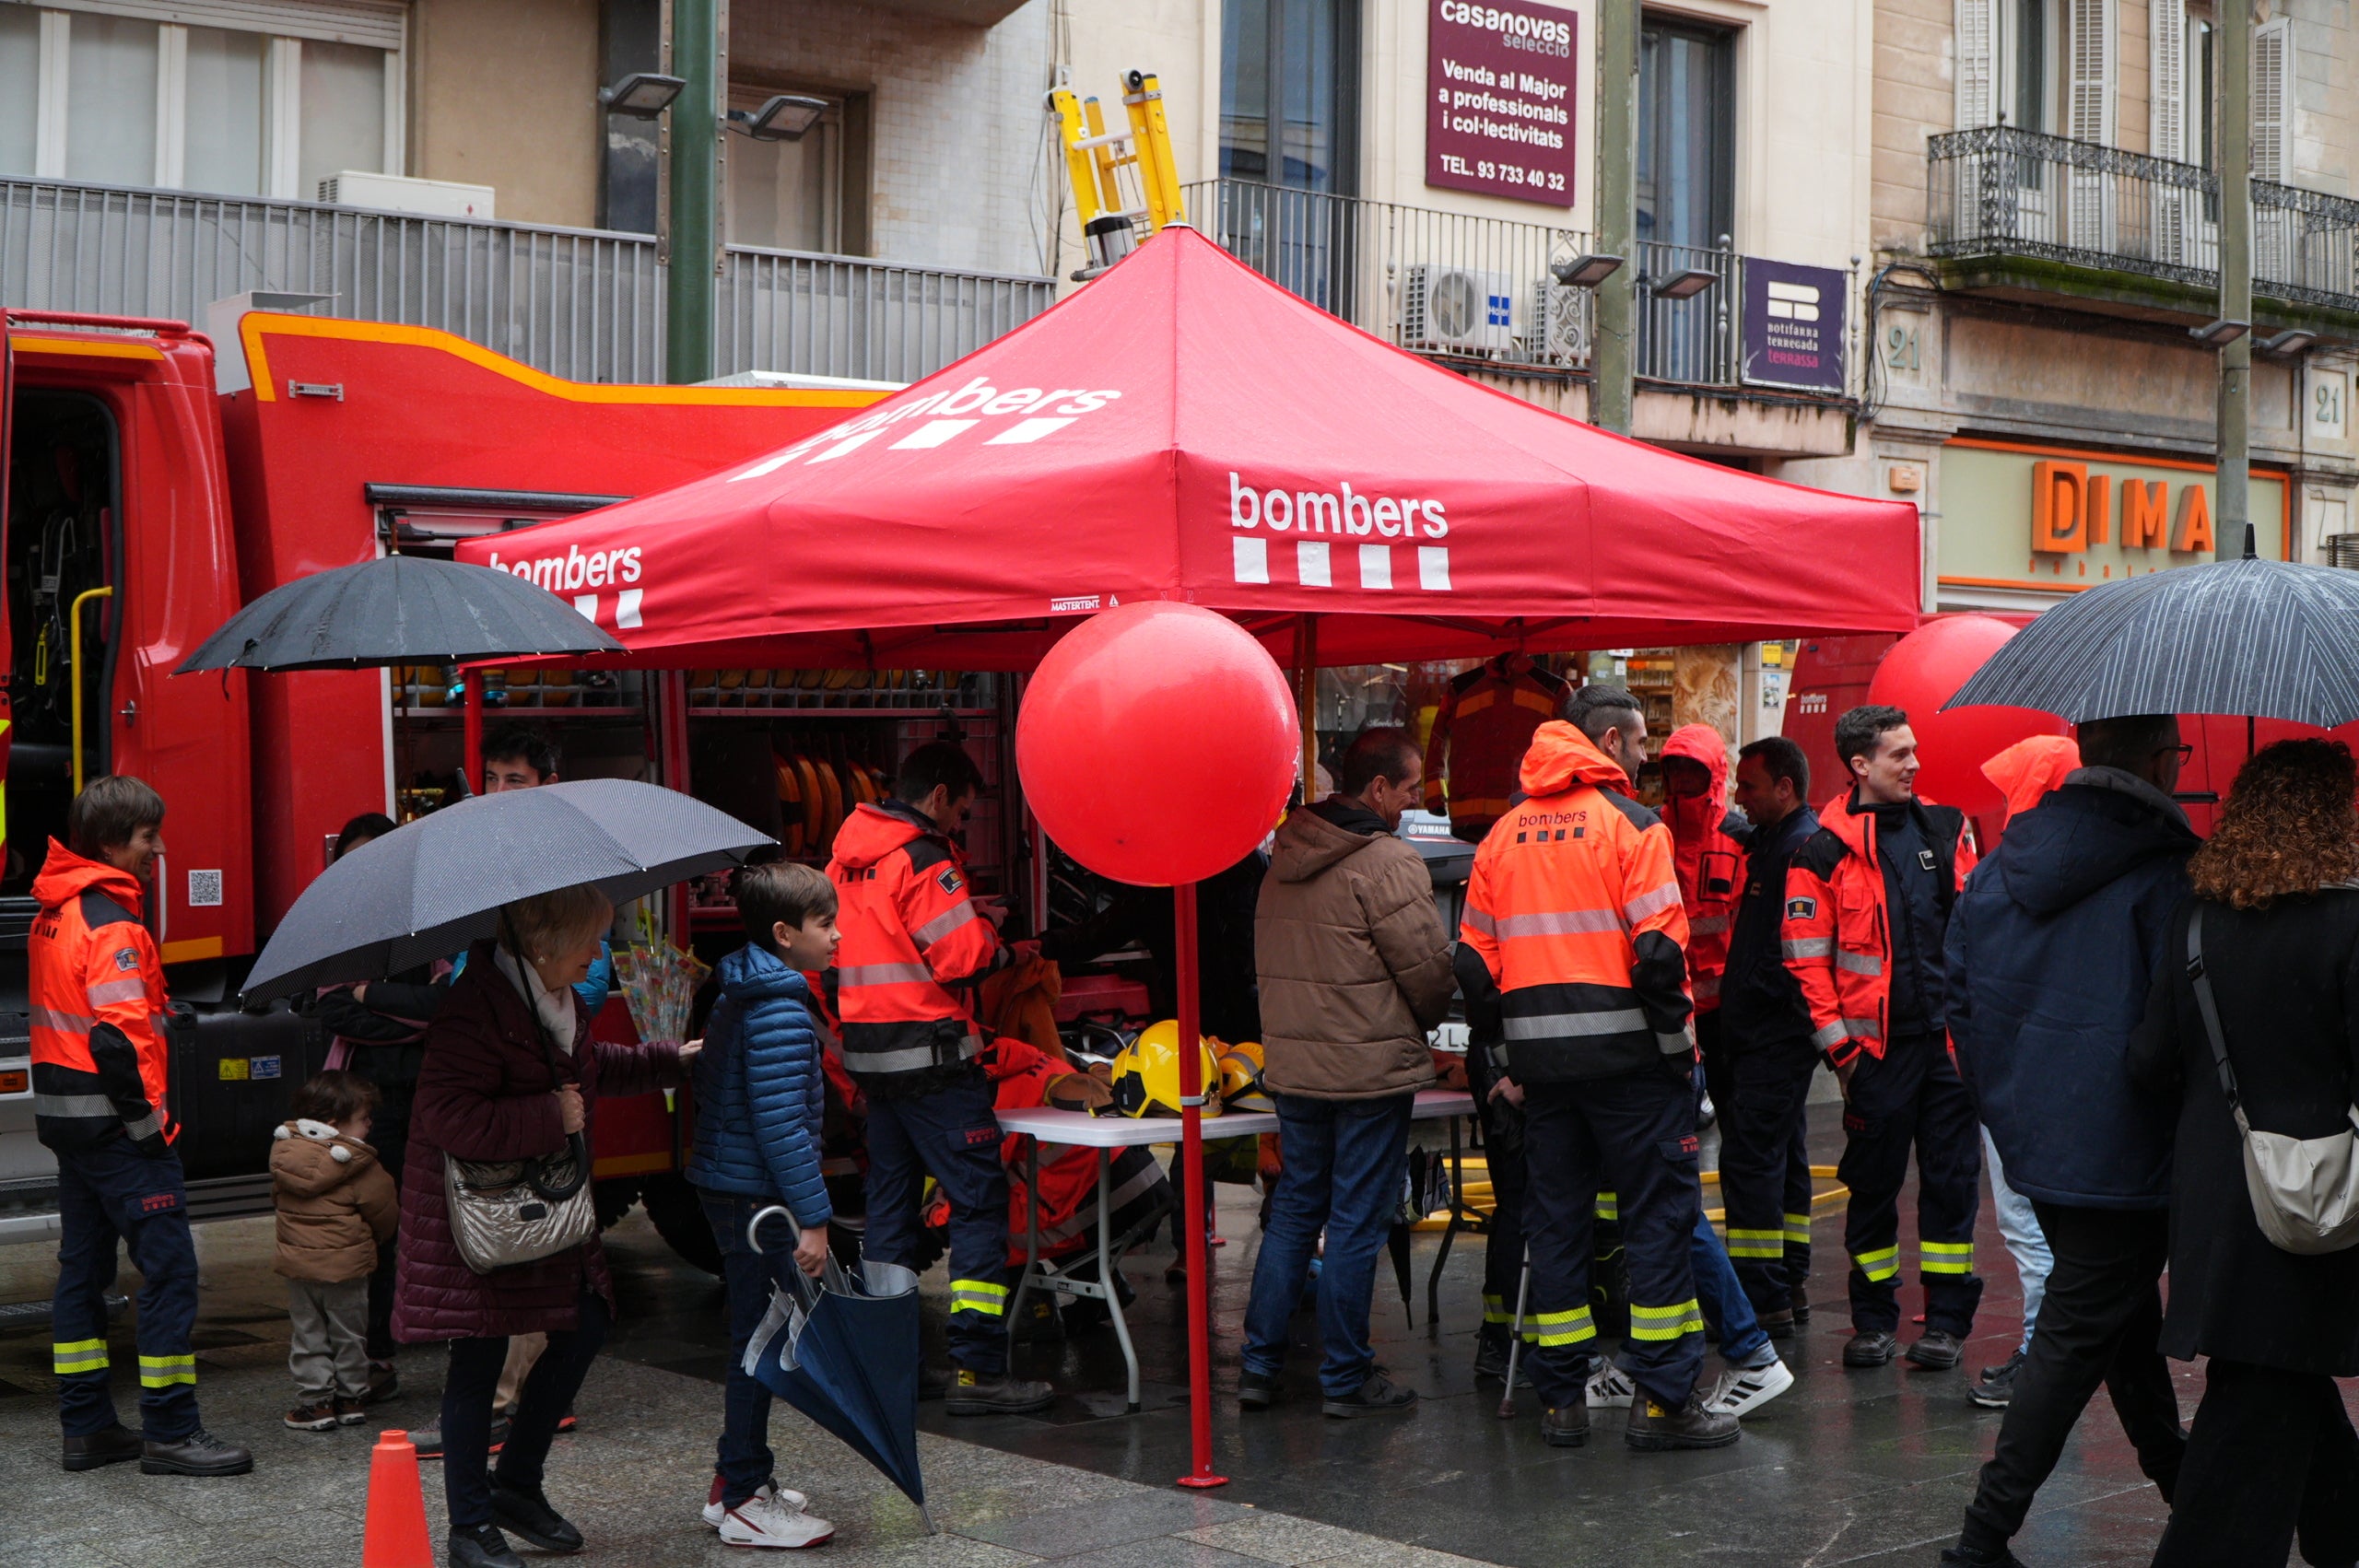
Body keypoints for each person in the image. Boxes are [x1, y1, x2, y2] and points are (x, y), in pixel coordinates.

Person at [1939, 715, 2193, 1568]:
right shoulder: (2167, 871)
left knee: (2118, 1321)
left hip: (2035, 1138)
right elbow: (2178, 1026)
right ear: (2159, 762)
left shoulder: (2001, 864)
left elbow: (1961, 998)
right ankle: (1982, 1539)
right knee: (2081, 1329)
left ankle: (2184, 1490)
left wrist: (2005, 1107)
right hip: (2130, 1145)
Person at [1460, 686, 1737, 1452]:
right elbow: (1660, 956)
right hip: (1634, 1069)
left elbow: (1475, 969)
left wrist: (1511, 1057)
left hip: (1546, 1078)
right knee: (1658, 1224)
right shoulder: (1633, 827)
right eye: (1642, 742)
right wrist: (1679, 1056)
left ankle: (1562, 1404)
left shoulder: (1501, 836)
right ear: (1610, 742)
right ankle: (1664, 1403)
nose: (1646, 757)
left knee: (1556, 1228)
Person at [393, 883, 688, 1568]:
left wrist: (671, 1058)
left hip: (538, 1207)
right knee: (478, 1362)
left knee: (586, 1321)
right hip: (478, 1221)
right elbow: (449, 1117)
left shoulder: (551, 996)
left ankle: (517, 1485)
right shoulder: (474, 1008)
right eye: (589, 940)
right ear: (543, 943)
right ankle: (469, 1528)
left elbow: (587, 1069)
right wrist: (549, 1117)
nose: (597, 954)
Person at [2128, 738, 2359, 1568]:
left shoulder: (2197, 918)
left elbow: (2149, 1060)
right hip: (2314, 1189)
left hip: (2218, 1189)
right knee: (2264, 1386)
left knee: (2275, 1370)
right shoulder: (2349, 920)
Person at [35, 776, 253, 1477]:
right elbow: (120, 1042)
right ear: (110, 843)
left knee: (82, 1274)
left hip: (72, 1126)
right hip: (119, 1132)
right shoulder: (114, 926)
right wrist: (151, 1129)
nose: (158, 850)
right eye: (147, 837)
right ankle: (171, 1430)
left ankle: (88, 1428)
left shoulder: (57, 912)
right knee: (170, 1272)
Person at [827, 741, 1053, 1416]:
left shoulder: (843, 861)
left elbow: (833, 964)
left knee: (889, 1211)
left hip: (873, 1063)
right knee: (979, 1203)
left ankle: (891, 1364)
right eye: (962, 811)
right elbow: (963, 958)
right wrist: (999, 940)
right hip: (934, 1063)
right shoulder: (923, 857)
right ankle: (979, 1371)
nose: (961, 824)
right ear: (939, 796)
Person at [1238, 727, 1454, 1417]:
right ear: (1379, 788)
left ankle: (1258, 1367)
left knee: (1295, 1212)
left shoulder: (1283, 855)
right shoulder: (1387, 861)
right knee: (1357, 1221)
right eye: (1411, 787)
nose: (1416, 800)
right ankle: (1345, 1377)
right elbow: (1429, 976)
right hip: (1368, 1072)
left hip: (1295, 1068)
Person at [1783, 705, 1982, 1372]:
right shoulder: (1821, 852)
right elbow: (1805, 962)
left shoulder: (1947, 828)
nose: (1915, 764)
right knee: (1872, 1192)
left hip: (1946, 1051)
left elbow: (1976, 935)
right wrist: (1842, 1055)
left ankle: (1947, 1323)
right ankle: (1872, 1322)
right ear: (1860, 765)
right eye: (1900, 754)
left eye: (1914, 750)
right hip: (1874, 1057)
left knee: (1952, 1186)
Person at [685, 861, 840, 1550]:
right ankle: (746, 1498)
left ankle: (733, 1482)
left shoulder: (744, 989)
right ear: (784, 933)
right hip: (757, 1199)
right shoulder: (777, 1008)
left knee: (758, 1333)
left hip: (736, 1187)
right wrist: (815, 1217)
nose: (836, 936)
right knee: (761, 1341)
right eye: (824, 924)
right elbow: (782, 1128)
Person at [313, 810, 450, 1409]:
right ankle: (370, 1353)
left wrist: (372, 996)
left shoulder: (428, 929)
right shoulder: (341, 932)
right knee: (371, 1228)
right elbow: (335, 1011)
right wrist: (408, 1017)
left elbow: (443, 1006)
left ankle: (427, 1329)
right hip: (364, 1108)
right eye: (352, 859)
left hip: (426, 1098)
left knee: (429, 1221)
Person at [1964, 735, 2081, 1409]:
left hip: (2011, 1073)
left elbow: (1965, 981)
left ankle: (2043, 1355)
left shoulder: (1997, 876)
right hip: (2078, 1074)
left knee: (2024, 1222)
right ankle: (2061, 1350)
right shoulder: (2105, 866)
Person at [1718, 736, 1822, 1338]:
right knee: (1783, 1156)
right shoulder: (1779, 842)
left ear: (1785, 788)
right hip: (1772, 1035)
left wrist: (1753, 994)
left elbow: (1793, 953)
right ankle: (1789, 1281)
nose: (1740, 797)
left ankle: (1761, 1299)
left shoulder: (1796, 850)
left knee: (1751, 1161)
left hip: (1771, 1035)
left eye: (1750, 786)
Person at [272, 1071, 398, 1432]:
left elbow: (278, 1201)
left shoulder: (284, 1155)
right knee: (349, 1334)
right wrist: (374, 1241)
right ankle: (351, 1399)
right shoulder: (362, 1164)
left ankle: (316, 1404)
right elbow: (384, 1213)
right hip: (348, 1267)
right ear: (333, 1124)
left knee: (308, 1333)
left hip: (300, 1266)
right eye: (364, 1118)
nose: (370, 1124)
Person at [1660, 723, 1746, 1117]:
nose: (1682, 778)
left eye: (1693, 769)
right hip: (1667, 1002)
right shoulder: (1650, 831)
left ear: (1714, 773)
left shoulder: (1740, 838)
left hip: (1724, 1008)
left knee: (1734, 1111)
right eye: (1675, 769)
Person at [1421, 651, 1570, 843]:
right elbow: (1572, 750)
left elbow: (1437, 742)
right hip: (1525, 814)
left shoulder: (1463, 687)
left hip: (1476, 814)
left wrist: (1435, 798)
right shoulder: (1552, 689)